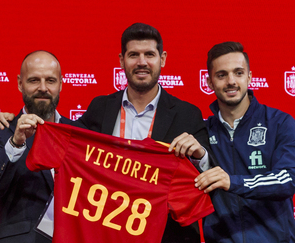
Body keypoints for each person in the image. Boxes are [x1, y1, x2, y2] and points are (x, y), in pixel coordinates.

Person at [75, 22, 212, 243]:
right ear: (121, 60)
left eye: (149, 54)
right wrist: (18, 121)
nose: (142, 62)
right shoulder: (100, 108)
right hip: (106, 231)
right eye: (133, 55)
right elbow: (69, 137)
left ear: (163, 59)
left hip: (166, 235)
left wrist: (200, 156)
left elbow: (210, 172)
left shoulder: (187, 114)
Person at [194, 42, 295, 243]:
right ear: (209, 82)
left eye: (238, 73)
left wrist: (233, 182)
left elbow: (288, 179)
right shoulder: (202, 131)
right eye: (221, 75)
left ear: (249, 77)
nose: (231, 81)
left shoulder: (279, 123)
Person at [0, 50, 71, 243]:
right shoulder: (2, 132)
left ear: (61, 84)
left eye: (51, 81)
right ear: (20, 83)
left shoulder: (78, 132)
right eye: (34, 80)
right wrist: (15, 143)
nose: (43, 88)